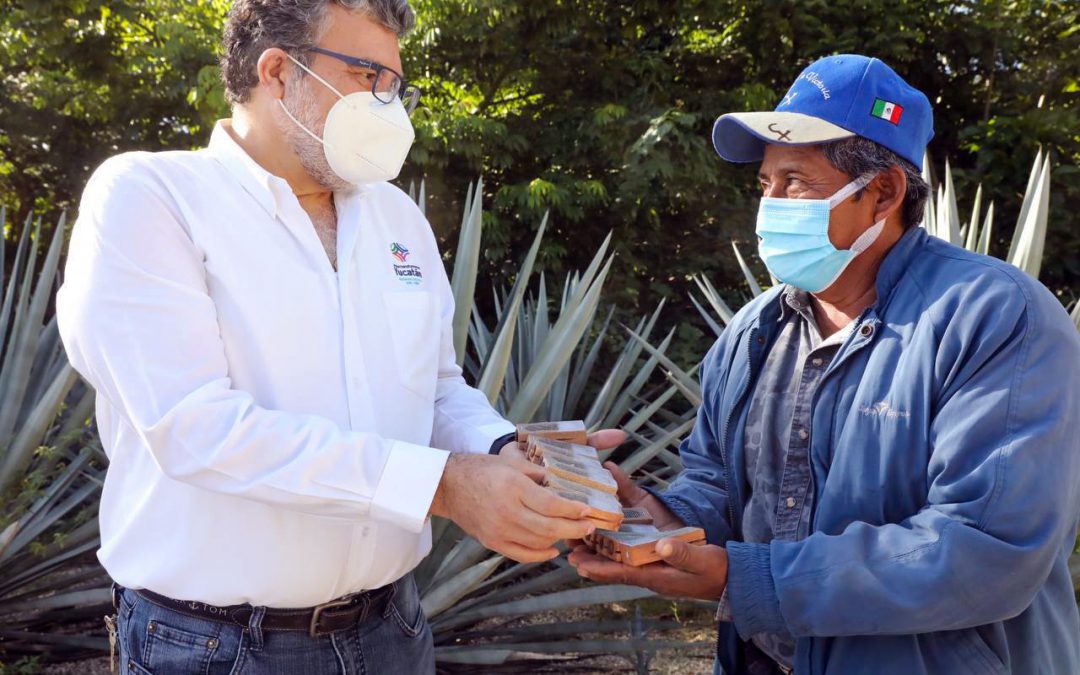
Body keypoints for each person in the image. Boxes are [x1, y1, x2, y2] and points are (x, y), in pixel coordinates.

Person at [56, 1, 620, 673]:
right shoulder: (150, 196)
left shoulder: (396, 217)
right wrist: (445, 486)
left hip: (392, 630)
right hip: (215, 648)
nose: (390, 106)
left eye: (397, 86)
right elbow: (194, 427)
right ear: (276, 71)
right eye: (368, 77)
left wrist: (508, 451)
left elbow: (436, 390)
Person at [569, 54, 1080, 675]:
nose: (771, 207)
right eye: (765, 184)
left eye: (796, 182)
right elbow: (722, 484)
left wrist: (746, 579)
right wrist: (660, 520)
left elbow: (986, 547)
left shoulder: (995, 319)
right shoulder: (750, 333)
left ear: (884, 192)